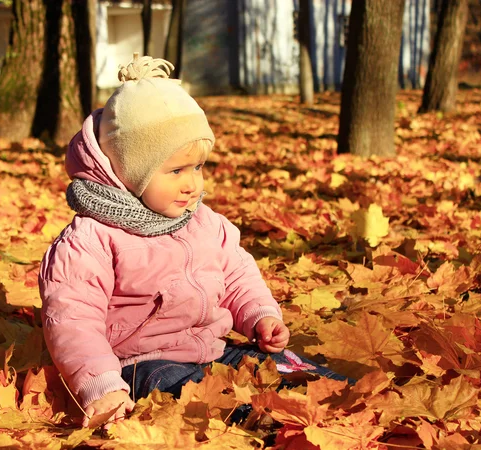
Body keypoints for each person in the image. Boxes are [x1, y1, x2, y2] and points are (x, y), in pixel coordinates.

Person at [39, 53, 346, 428]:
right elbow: (73, 319)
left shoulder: (203, 222)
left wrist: (261, 316)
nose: (192, 184)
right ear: (127, 173)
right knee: (185, 393)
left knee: (282, 365)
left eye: (198, 167)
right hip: (141, 363)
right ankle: (263, 423)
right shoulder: (92, 239)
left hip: (214, 350)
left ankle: (343, 398)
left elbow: (236, 275)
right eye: (175, 170)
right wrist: (102, 385)